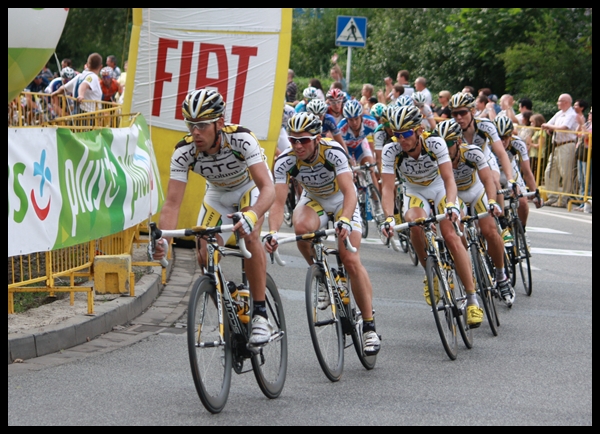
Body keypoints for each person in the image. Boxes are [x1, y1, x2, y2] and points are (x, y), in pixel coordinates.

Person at [151, 88, 276, 346]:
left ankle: (261, 314)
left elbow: (267, 188)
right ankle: (226, 299)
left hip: (249, 188)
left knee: (250, 234)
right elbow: (172, 204)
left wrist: (253, 214)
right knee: (203, 248)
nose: (195, 132)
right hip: (217, 195)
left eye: (202, 125)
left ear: (219, 122)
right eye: (191, 124)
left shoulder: (241, 139)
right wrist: (164, 242)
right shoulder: (184, 151)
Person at [264, 112, 381, 356]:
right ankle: (320, 276)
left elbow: (350, 192)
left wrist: (346, 220)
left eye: (304, 140)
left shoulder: (333, 151)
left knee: (349, 258)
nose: (297, 145)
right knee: (301, 228)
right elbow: (277, 202)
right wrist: (272, 231)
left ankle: (369, 327)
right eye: (294, 139)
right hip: (314, 199)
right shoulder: (285, 160)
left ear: (317, 138)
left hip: (341, 201)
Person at [378, 106, 483, 324]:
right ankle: (430, 272)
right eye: (396, 135)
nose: (401, 140)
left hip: (440, 188)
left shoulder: (435, 143)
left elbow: (449, 179)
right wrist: (388, 216)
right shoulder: (391, 150)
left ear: (417, 130)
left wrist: (452, 205)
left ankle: (473, 300)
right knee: (414, 223)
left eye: (405, 134)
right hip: (414, 191)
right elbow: (388, 188)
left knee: (451, 235)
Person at [436, 119, 515, 307]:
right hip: (455, 197)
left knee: (489, 231)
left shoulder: (472, 153)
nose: (444, 149)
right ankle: (467, 272)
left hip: (476, 192)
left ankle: (500, 275)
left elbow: (488, 180)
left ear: (457, 141)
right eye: (440, 144)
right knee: (457, 231)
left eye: (448, 143)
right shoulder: (435, 159)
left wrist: (493, 201)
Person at [448, 92, 517, 208]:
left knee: (494, 180)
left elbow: (501, 153)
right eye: (455, 114)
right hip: (465, 161)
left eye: (463, 112)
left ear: (473, 111)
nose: (459, 117)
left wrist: (510, 179)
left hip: (485, 158)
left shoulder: (485, 125)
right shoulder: (450, 129)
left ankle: (500, 217)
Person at [494, 116, 543, 236]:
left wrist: (535, 192)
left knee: (522, 202)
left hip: (511, 172)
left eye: (505, 137)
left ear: (511, 135)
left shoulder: (518, 143)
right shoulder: (487, 144)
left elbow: (527, 171)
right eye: (499, 137)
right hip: (493, 173)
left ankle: (521, 231)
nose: (502, 141)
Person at [338, 99, 381, 201]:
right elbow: (341, 149)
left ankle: (377, 202)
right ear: (346, 119)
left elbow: (379, 141)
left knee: (370, 170)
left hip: (360, 146)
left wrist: (377, 160)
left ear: (361, 116)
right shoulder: (341, 128)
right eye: (350, 120)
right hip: (345, 149)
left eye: (356, 119)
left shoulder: (371, 123)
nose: (354, 122)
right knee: (349, 175)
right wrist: (350, 161)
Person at [541, 93, 579, 208]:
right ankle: (553, 197)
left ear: (566, 102)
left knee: (565, 173)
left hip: (567, 145)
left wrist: (549, 127)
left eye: (559, 101)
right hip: (556, 145)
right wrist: (550, 128)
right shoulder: (559, 114)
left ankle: (563, 199)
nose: (558, 103)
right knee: (550, 171)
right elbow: (549, 124)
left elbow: (563, 128)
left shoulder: (571, 114)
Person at [574, 106, 592, 209]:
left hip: (589, 154)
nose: (589, 115)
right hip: (581, 154)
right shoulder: (587, 124)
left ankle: (586, 204)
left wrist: (582, 124)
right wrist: (580, 123)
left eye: (591, 113)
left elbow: (586, 137)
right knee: (581, 179)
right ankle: (582, 202)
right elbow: (578, 134)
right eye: (589, 113)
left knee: (587, 179)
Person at [527, 113, 547, 180]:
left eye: (532, 122)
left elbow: (539, 145)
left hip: (537, 156)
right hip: (532, 155)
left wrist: (530, 143)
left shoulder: (541, 132)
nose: (531, 124)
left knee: (534, 174)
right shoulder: (535, 132)